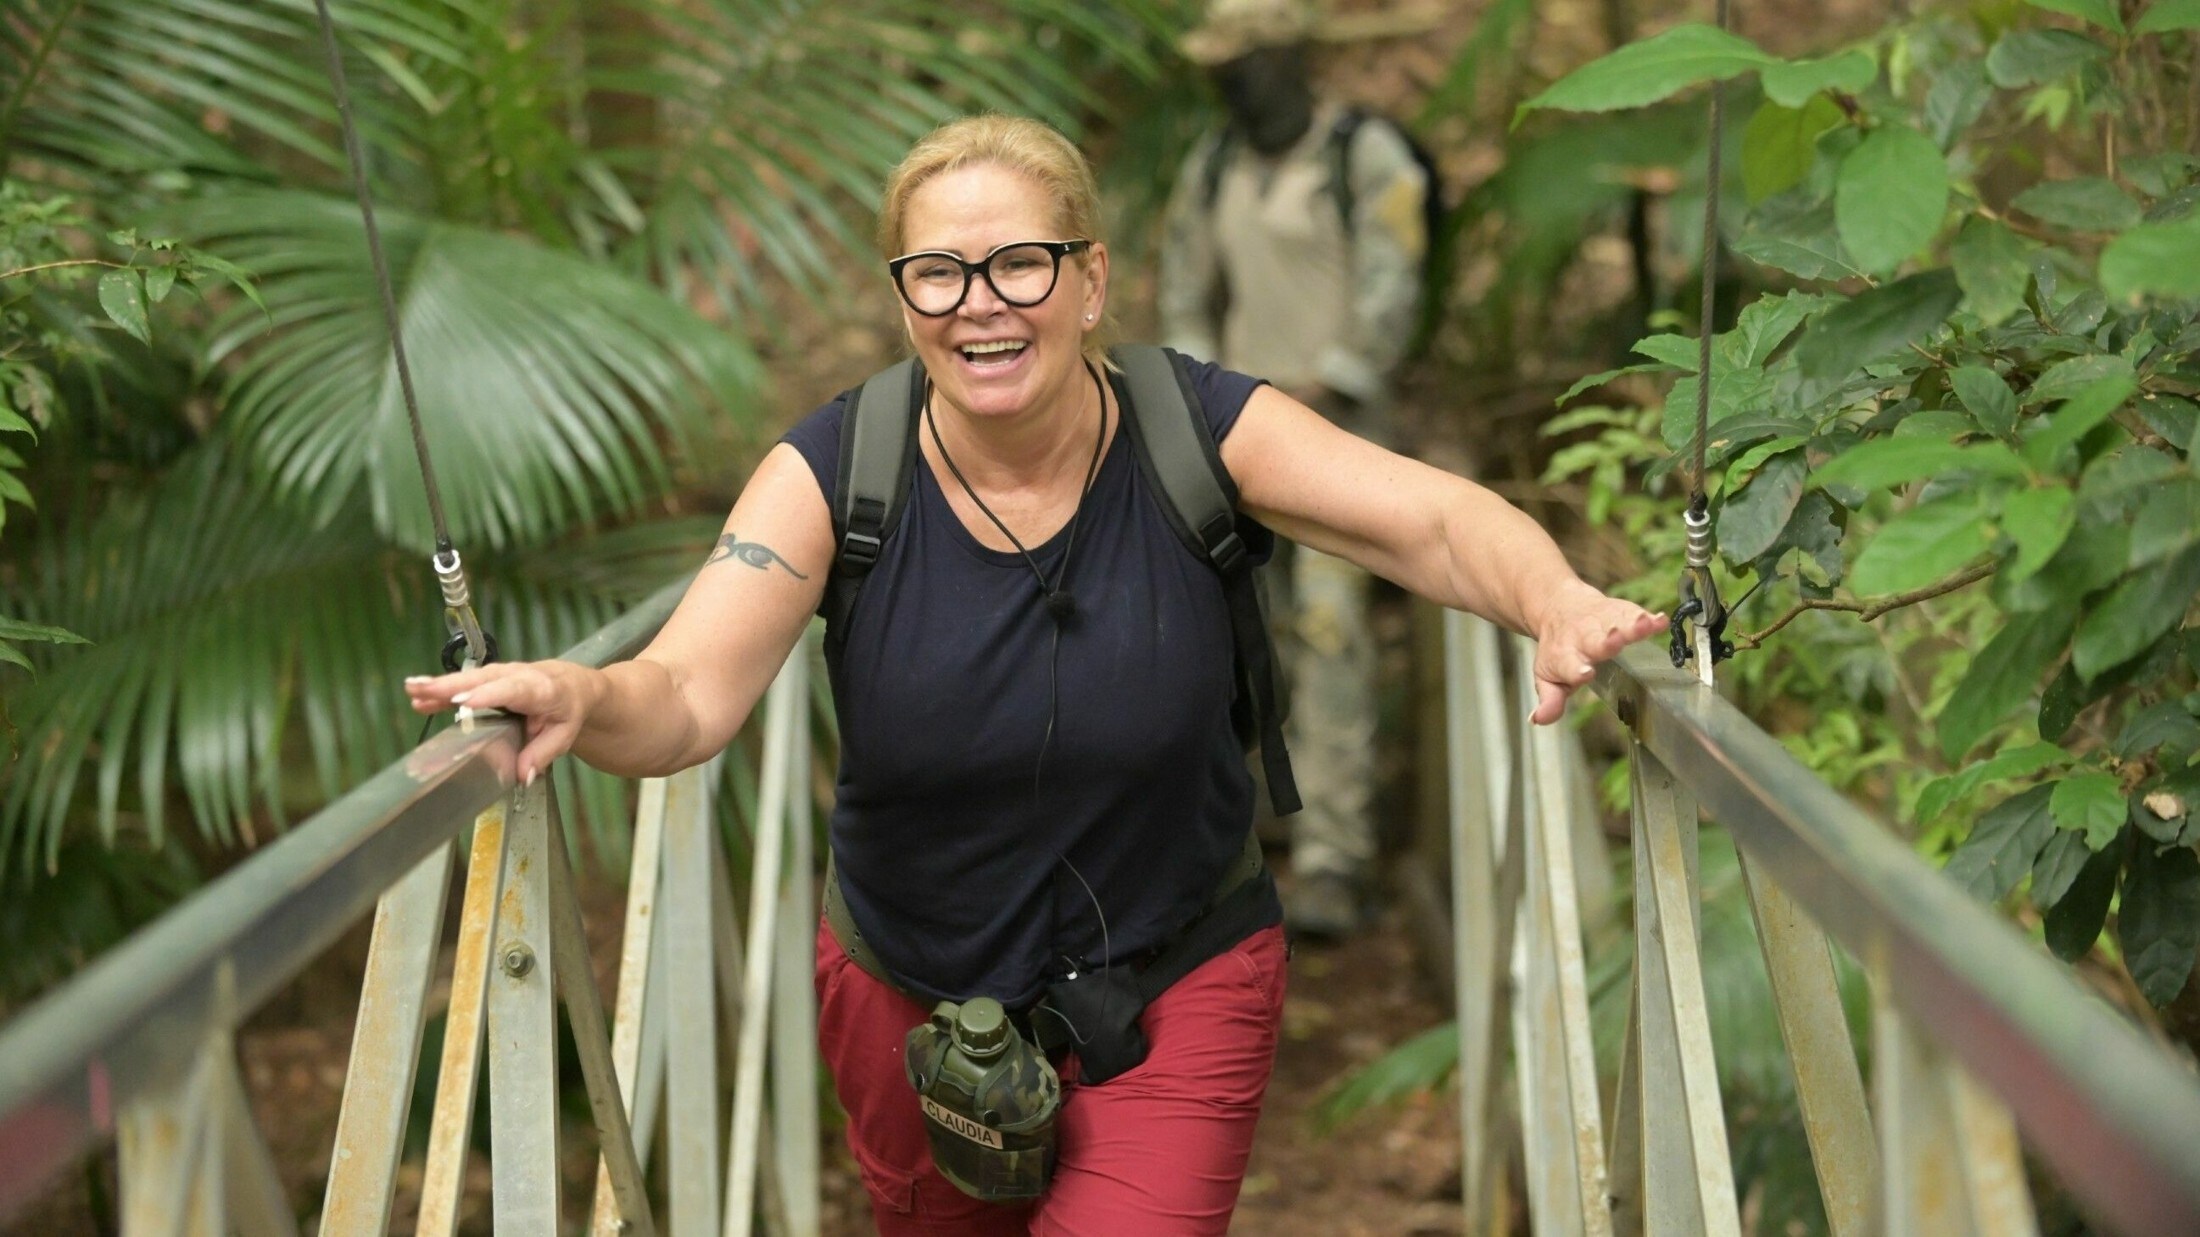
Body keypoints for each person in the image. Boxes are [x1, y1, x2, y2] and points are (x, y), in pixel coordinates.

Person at [406, 114, 1659, 1237]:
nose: (978, 304)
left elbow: (1433, 521)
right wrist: (583, 693)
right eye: (936, 273)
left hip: (1176, 979)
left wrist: (1551, 599)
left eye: (1018, 263)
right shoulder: (841, 470)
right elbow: (684, 692)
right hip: (912, 1000)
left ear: (1090, 277)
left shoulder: (1195, 429)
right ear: (903, 301)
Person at [1159, 0, 1431, 942]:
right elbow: (1187, 292)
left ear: (1286, 59)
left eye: (1243, 64)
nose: (1228, 83)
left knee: (1331, 633)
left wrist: (1334, 379)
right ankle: (1241, 830)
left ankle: (1333, 854)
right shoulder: (1213, 167)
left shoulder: (1365, 157)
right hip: (1229, 451)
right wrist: (1203, 390)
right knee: (1233, 634)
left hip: (1339, 450)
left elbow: (1393, 286)